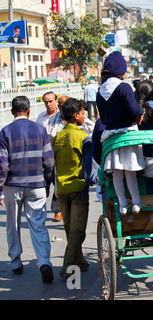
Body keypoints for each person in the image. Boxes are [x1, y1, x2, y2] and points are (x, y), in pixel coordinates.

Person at [0, 96, 55, 282]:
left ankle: (15, 262)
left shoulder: (5, 132)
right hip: (36, 184)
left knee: (13, 224)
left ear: (12, 111)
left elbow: (2, 165)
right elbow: (49, 160)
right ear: (29, 110)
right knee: (38, 224)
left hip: (12, 185)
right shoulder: (40, 129)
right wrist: (47, 182)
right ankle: (44, 262)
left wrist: (0, 189)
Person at [96, 51, 145, 216]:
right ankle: (136, 203)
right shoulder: (124, 87)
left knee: (117, 172)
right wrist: (140, 111)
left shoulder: (100, 90)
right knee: (130, 171)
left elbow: (102, 116)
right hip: (127, 134)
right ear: (120, 71)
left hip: (111, 136)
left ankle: (123, 204)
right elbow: (134, 109)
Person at [53, 98, 90, 278]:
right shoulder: (82, 137)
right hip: (77, 189)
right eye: (83, 113)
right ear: (76, 116)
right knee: (78, 230)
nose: (85, 116)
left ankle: (79, 259)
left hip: (61, 189)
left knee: (69, 228)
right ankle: (68, 266)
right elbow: (89, 166)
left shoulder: (58, 137)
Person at [36, 91, 61, 222]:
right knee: (46, 181)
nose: (49, 104)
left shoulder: (60, 116)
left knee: (57, 182)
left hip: (58, 153)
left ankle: (57, 210)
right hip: (45, 155)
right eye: (46, 102)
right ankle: (40, 208)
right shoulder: (41, 117)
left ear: (55, 101)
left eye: (51, 101)